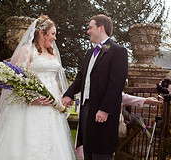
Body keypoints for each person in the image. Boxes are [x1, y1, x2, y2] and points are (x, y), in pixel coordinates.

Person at [0, 15, 76, 160]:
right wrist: (31, 98)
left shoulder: (52, 53)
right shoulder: (26, 50)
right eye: (53, 34)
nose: (55, 38)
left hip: (51, 107)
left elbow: (53, 79)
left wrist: (60, 96)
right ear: (42, 33)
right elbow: (14, 82)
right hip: (28, 107)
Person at [62, 14, 128, 160]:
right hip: (86, 110)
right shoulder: (90, 53)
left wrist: (104, 109)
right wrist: (68, 94)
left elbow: (116, 84)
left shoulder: (118, 51)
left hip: (103, 113)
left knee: (101, 154)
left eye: (90, 27)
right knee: (88, 152)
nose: (88, 31)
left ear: (101, 28)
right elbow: (81, 77)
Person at [75, 93, 162, 159]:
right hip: (95, 127)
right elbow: (118, 95)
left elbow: (119, 96)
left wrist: (143, 101)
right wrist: (144, 100)